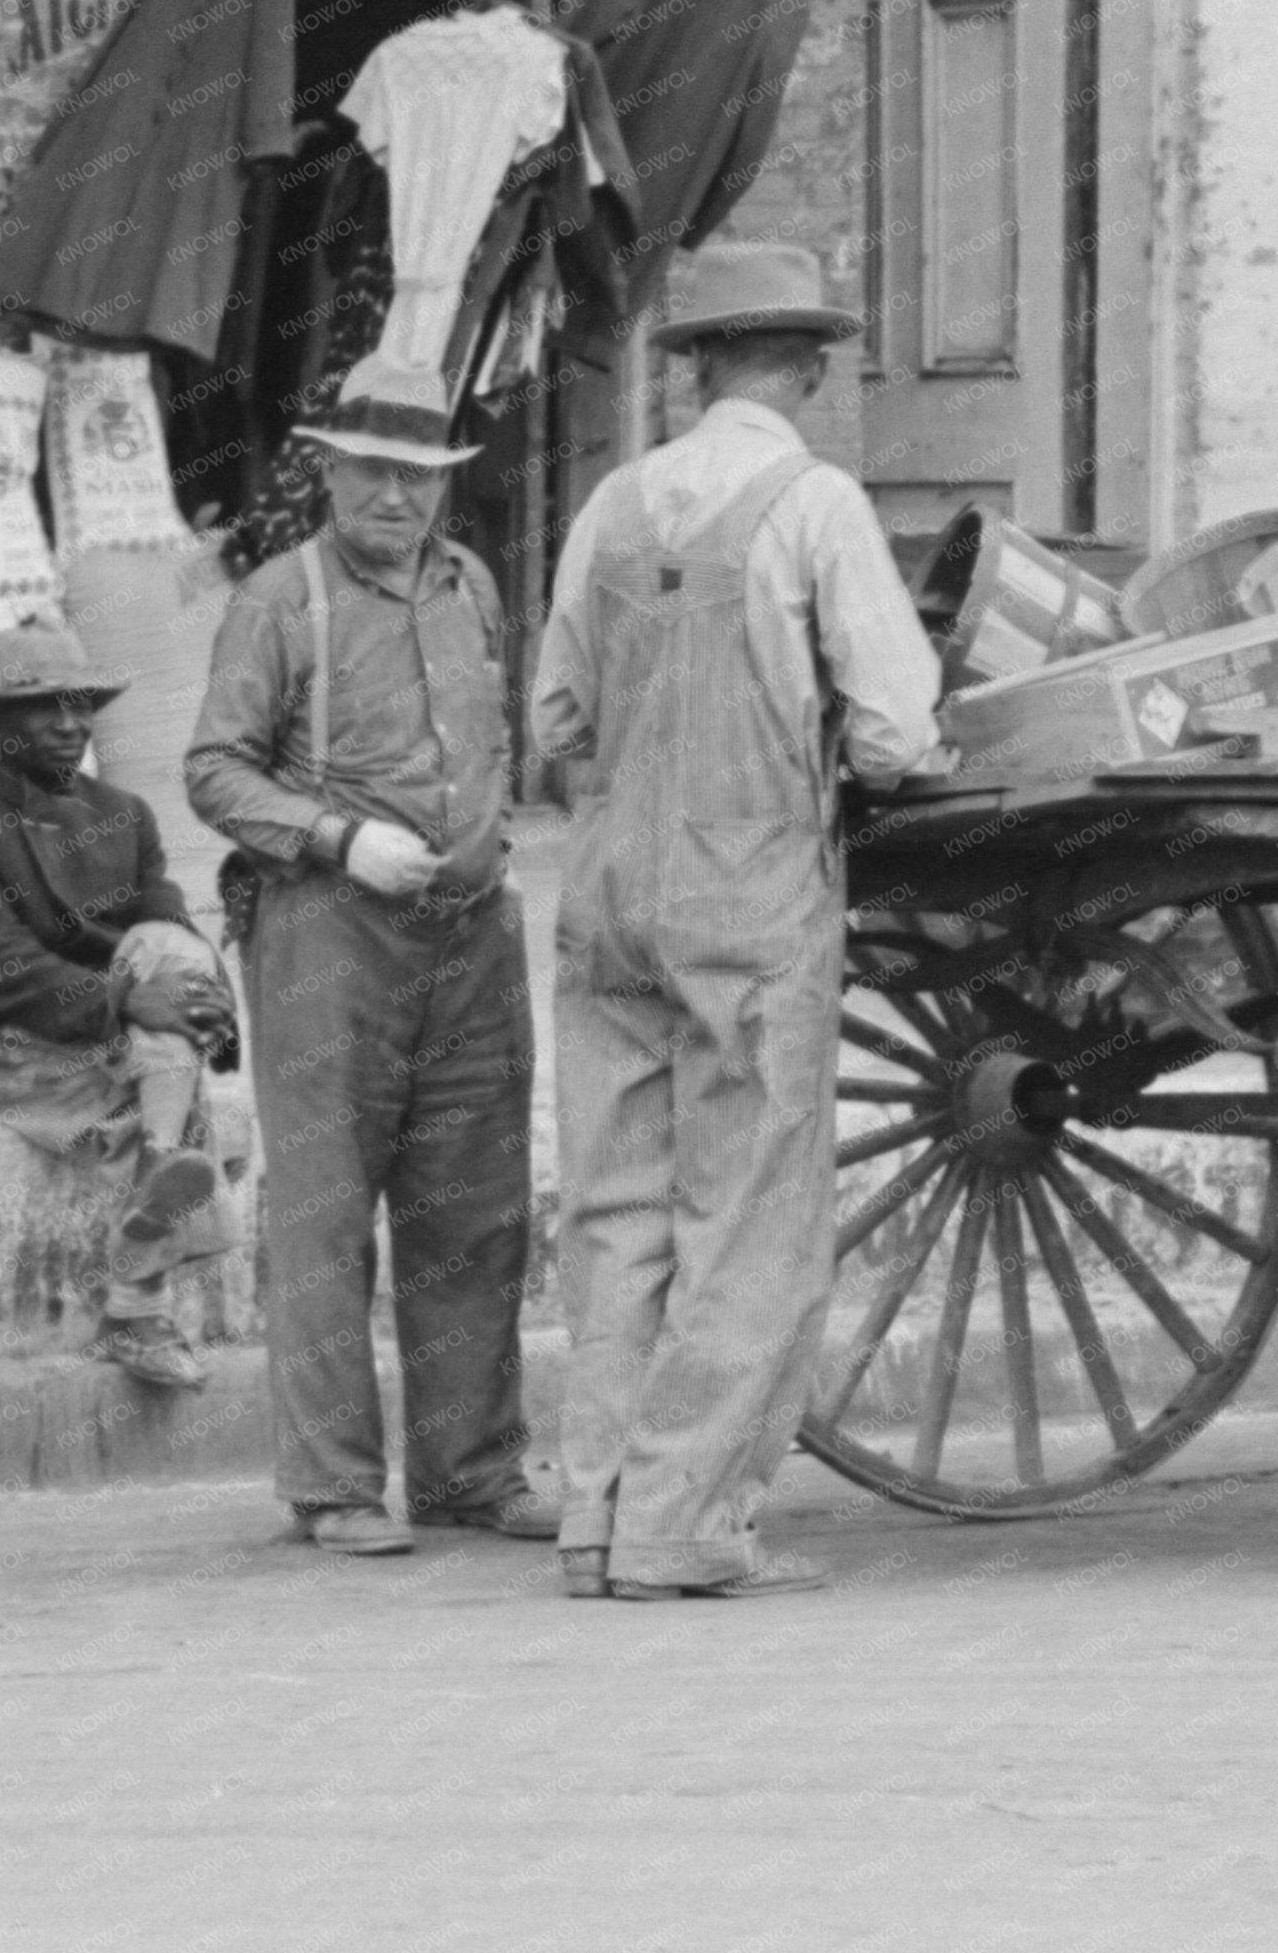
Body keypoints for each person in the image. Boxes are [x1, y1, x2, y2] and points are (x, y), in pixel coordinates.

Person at [528, 240, 951, 1602]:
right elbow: (893, 732)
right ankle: (685, 1523)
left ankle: (594, 1516)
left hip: (607, 891)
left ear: (697, 366)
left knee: (615, 1210)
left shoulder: (612, 503)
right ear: (809, 367)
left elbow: (555, 717)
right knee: (749, 1214)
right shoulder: (815, 504)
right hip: (748, 891)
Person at [185, 354, 557, 1558]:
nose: (394, 496)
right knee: (324, 1212)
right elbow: (214, 771)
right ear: (330, 472)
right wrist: (340, 839)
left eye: (418, 475)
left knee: (475, 1209)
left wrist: (483, 848)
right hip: (326, 932)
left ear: (445, 481)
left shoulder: (471, 585)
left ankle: (470, 1472)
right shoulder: (277, 600)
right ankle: (332, 1486)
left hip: (472, 933)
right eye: (372, 472)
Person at [0, 625, 242, 1393]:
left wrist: (204, 1001)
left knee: (171, 969)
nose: (70, 723)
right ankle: (140, 1294)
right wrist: (126, 1000)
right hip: (4, 1038)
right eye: (45, 707)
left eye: (82, 705)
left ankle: (151, 1212)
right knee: (169, 1088)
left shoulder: (124, 813)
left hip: (116, 1034)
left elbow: (166, 919)